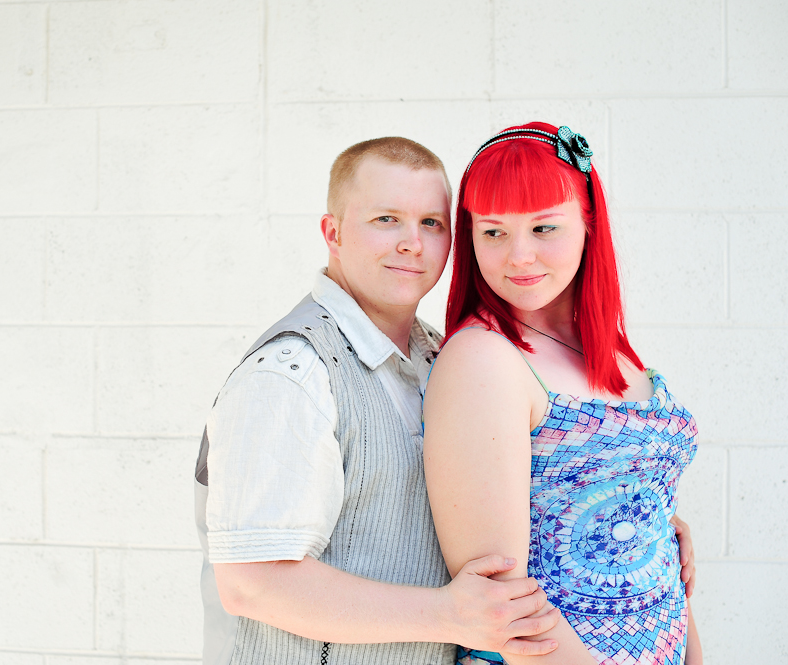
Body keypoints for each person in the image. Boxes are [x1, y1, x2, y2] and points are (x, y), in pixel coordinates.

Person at [192, 137, 565, 665]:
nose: (413, 243)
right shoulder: (290, 374)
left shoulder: (442, 356)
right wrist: (446, 613)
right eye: (387, 219)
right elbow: (251, 582)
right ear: (334, 233)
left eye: (432, 223)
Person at [422, 122, 703, 664]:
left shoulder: (617, 352)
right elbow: (503, 603)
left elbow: (658, 547)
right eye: (494, 232)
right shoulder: (485, 358)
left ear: (588, 223)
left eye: (543, 228)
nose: (519, 256)